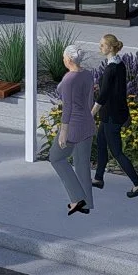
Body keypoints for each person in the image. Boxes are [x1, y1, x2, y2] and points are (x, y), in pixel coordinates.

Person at [91, 33, 138, 198]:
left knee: (117, 152)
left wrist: (91, 113)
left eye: (102, 45)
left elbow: (104, 95)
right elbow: (114, 89)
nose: (100, 47)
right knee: (101, 143)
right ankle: (98, 178)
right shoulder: (118, 63)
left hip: (112, 116)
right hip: (111, 113)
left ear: (110, 47)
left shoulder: (112, 68)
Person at [49, 44, 97, 215]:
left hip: (74, 126)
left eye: (64, 57)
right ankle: (87, 205)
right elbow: (90, 100)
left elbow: (67, 107)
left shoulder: (69, 80)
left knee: (56, 158)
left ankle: (77, 198)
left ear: (68, 59)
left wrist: (63, 132)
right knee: (82, 164)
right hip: (87, 123)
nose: (63, 59)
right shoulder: (87, 74)